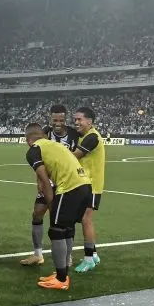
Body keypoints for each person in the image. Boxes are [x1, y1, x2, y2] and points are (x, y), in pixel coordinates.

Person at [24, 123, 93, 291]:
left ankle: (61, 279)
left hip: (70, 188)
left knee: (56, 231)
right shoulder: (54, 145)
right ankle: (62, 273)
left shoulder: (34, 150)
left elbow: (46, 183)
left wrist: (52, 205)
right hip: (85, 186)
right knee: (66, 229)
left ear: (28, 140)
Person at [21, 104, 81, 267]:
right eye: (55, 119)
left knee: (65, 221)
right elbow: (38, 160)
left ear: (65, 119)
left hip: (66, 182)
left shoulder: (74, 134)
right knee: (37, 214)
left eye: (61, 119)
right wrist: (39, 181)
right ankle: (38, 254)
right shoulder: (44, 133)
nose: (58, 123)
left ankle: (68, 256)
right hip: (48, 181)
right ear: (50, 119)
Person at [72, 106, 106, 273]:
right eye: (75, 119)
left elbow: (73, 157)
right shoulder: (86, 135)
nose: (76, 122)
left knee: (86, 219)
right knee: (84, 219)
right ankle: (93, 255)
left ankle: (88, 260)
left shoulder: (92, 137)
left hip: (91, 185)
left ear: (90, 121)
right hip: (85, 183)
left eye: (80, 119)